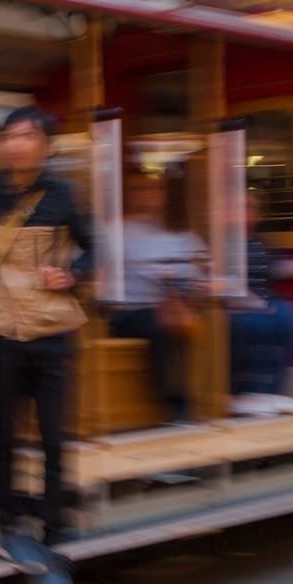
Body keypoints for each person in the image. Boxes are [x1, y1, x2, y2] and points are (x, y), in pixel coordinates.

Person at [0, 106, 93, 584]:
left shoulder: (62, 193)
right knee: (5, 430)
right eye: (9, 136)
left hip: (53, 329)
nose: (16, 144)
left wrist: (73, 275)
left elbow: (96, 248)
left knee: (54, 436)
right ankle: (9, 524)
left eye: (27, 136)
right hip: (0, 328)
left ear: (47, 146)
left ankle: (56, 533)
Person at [107, 167, 208, 424]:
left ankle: (207, 400)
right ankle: (172, 406)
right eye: (140, 189)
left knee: (190, 324)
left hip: (176, 306)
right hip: (129, 311)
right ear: (129, 194)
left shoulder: (180, 230)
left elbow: (203, 265)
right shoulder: (116, 231)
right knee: (163, 326)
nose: (149, 195)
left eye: (155, 188)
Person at [228, 188, 293, 417]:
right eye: (242, 207)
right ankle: (247, 392)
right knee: (259, 322)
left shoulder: (262, 242)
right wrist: (246, 299)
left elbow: (278, 267)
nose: (248, 213)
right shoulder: (224, 242)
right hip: (234, 303)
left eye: (252, 208)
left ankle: (275, 392)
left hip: (264, 301)